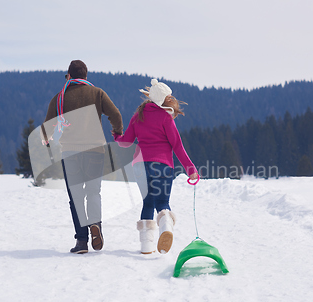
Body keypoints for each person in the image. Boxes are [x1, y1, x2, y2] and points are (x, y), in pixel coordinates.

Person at [42, 60, 123, 254]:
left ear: (69, 76)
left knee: (76, 197)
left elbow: (48, 126)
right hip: (95, 151)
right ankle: (95, 224)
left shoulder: (60, 98)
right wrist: (117, 133)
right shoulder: (97, 94)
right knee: (93, 192)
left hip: (70, 153)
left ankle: (81, 242)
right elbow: (116, 115)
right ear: (85, 76)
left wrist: (46, 140)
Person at [113, 79, 199, 254]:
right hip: (162, 165)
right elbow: (177, 146)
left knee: (147, 203)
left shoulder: (139, 115)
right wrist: (191, 170)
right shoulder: (165, 117)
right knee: (162, 202)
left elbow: (126, 142)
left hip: (140, 166)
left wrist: (117, 136)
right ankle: (166, 225)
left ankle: (146, 245)